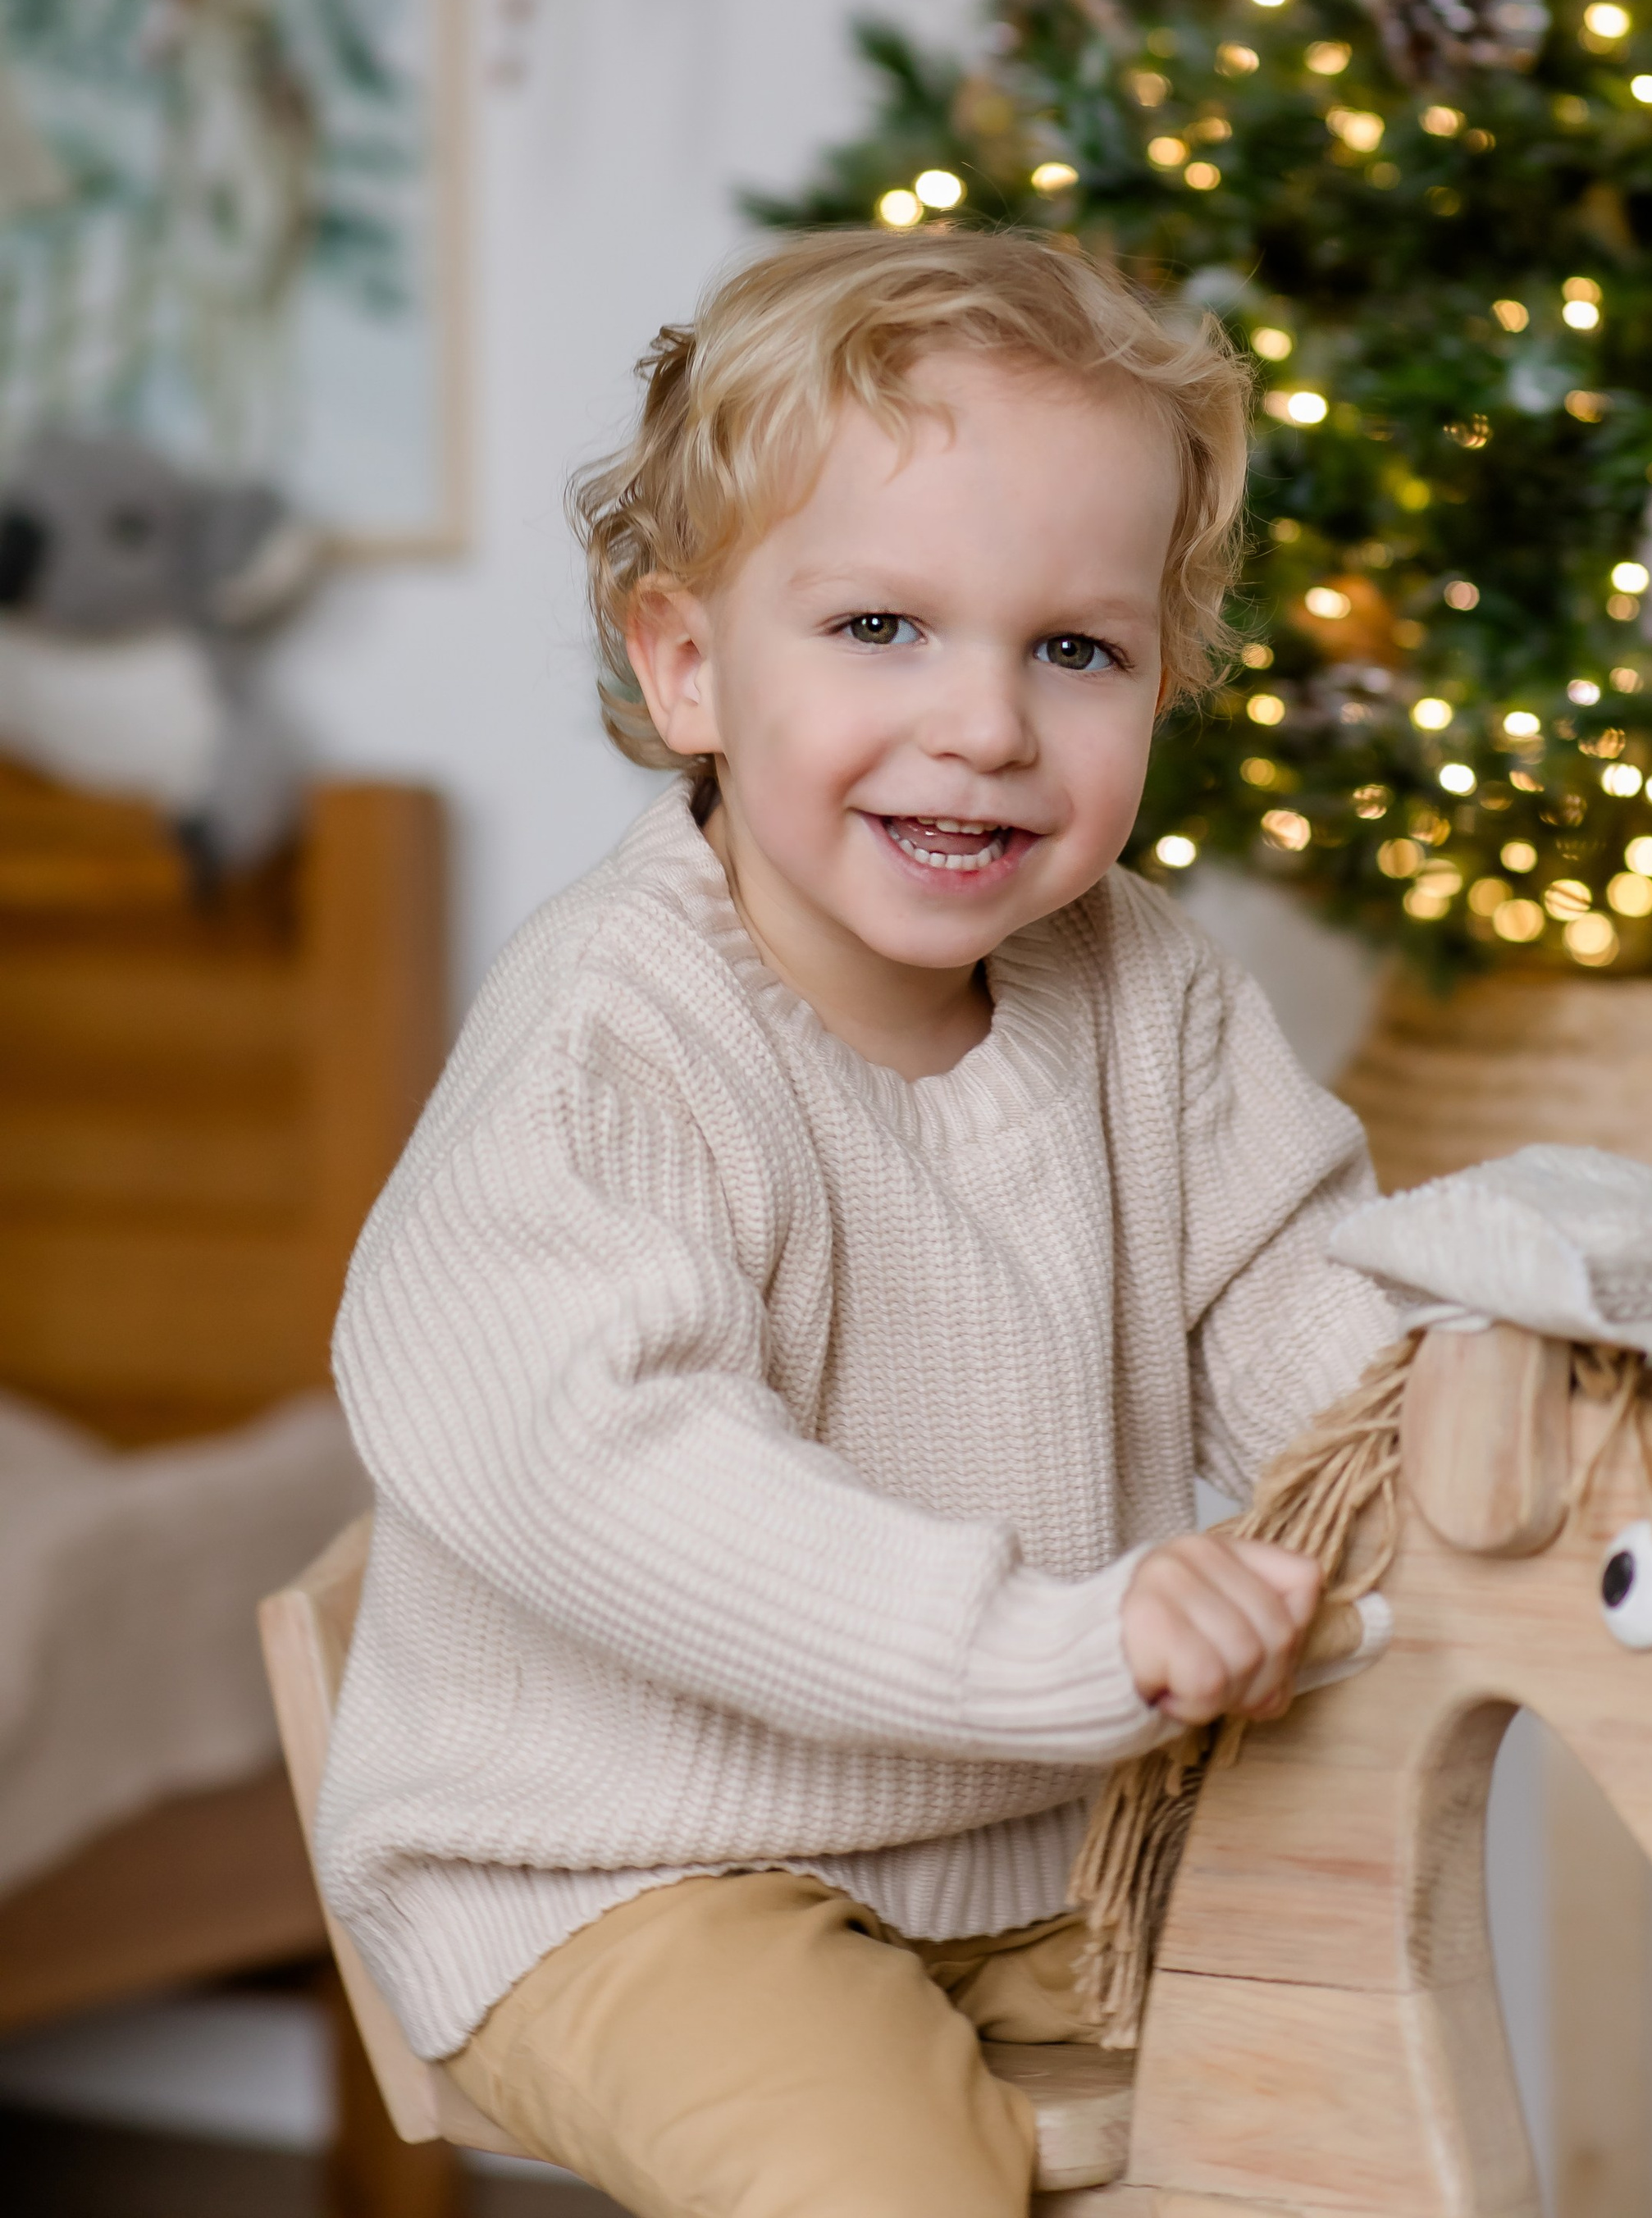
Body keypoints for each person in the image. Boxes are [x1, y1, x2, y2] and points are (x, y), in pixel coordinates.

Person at [316, 227, 1399, 2218]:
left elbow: (1293, 1296)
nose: (984, 723)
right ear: (685, 662)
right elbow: (629, 1487)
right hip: (633, 1867)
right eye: (883, 627)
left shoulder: (1140, 984)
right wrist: (1064, 1646)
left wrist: (1458, 1426)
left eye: (1073, 650)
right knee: (879, 2185)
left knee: (1349, 2103)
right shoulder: (606, 1054)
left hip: (1041, 1835)